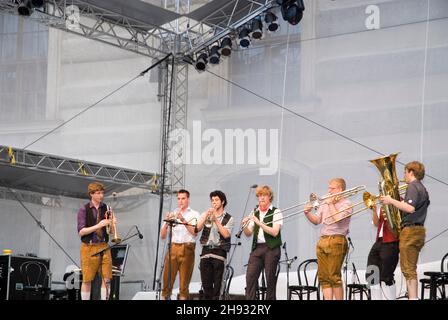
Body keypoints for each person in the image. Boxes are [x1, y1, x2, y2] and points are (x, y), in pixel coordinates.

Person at [380, 161, 429, 300]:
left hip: (411, 231)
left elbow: (410, 208)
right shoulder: (422, 188)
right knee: (410, 268)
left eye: (405, 172)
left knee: (408, 270)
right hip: (418, 230)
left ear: (411, 172)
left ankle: (413, 298)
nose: (404, 175)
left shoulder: (413, 186)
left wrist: (390, 200)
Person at [303, 178, 352, 300]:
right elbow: (317, 221)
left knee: (334, 276)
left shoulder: (347, 204)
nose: (329, 191)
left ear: (340, 189)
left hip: (337, 240)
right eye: (329, 188)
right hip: (323, 239)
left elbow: (338, 219)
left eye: (332, 188)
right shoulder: (324, 202)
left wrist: (330, 203)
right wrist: (307, 213)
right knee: (323, 277)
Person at [242, 185, 283, 300]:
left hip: (271, 248)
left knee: (270, 279)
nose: (261, 198)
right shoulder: (254, 212)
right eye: (259, 196)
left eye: (264, 195)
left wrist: (259, 223)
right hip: (257, 248)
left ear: (270, 197)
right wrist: (244, 225)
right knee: (250, 277)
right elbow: (248, 233)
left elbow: (275, 232)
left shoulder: (276, 212)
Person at [77, 182, 116, 300]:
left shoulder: (106, 208)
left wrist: (113, 223)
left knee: (106, 277)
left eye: (102, 193)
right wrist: (98, 225)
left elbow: (110, 232)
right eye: (98, 193)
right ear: (91, 194)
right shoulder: (84, 209)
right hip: (89, 247)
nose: (101, 196)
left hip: (104, 246)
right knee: (87, 279)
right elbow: (81, 231)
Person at [160, 189, 200, 300]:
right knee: (167, 282)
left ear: (188, 199)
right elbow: (162, 236)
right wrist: (167, 223)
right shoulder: (173, 213)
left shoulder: (194, 214)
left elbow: (194, 232)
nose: (180, 201)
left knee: (183, 285)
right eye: (178, 199)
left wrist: (182, 219)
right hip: (173, 247)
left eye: (183, 198)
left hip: (187, 248)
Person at [195, 190, 234, 300]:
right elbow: (196, 229)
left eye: (216, 200)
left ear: (223, 202)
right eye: (212, 200)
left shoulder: (229, 218)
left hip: (219, 253)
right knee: (206, 287)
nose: (214, 202)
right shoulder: (206, 214)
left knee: (217, 289)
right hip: (206, 252)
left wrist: (216, 220)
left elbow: (226, 234)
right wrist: (204, 217)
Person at [365, 203, 399, 300]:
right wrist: (374, 210)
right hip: (379, 241)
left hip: (391, 241)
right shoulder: (382, 206)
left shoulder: (399, 202)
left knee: (386, 276)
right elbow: (376, 223)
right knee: (372, 274)